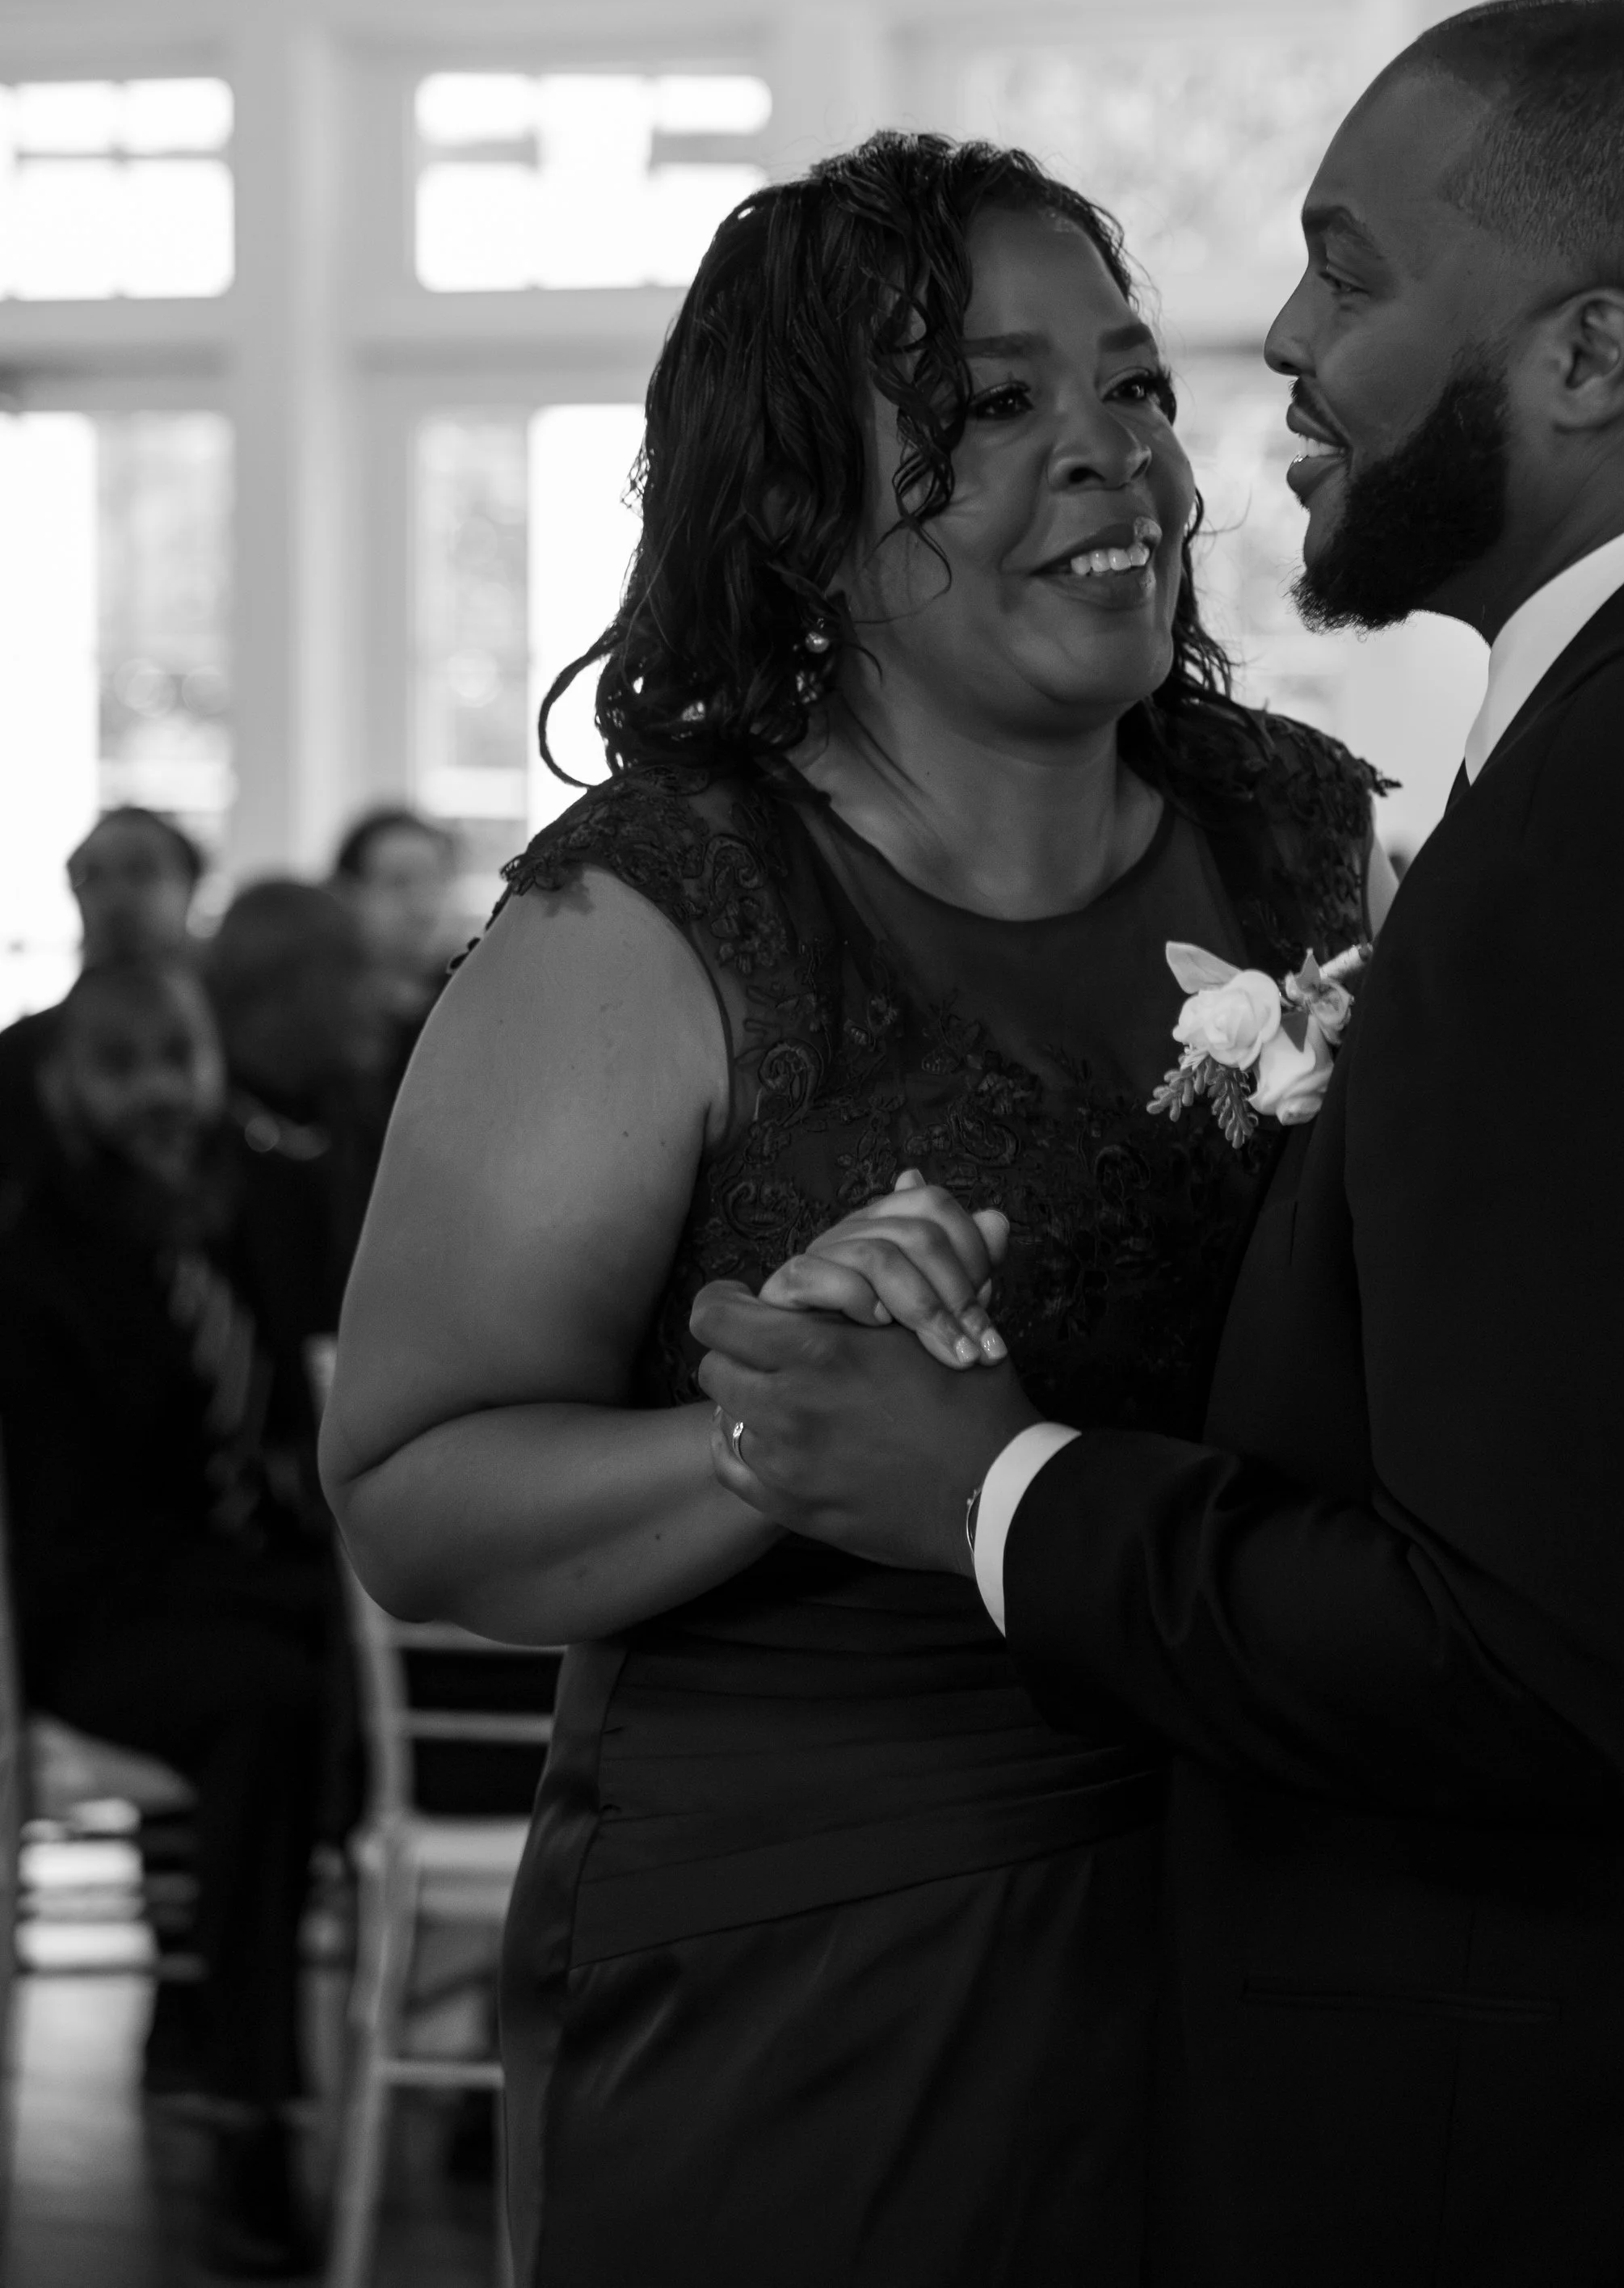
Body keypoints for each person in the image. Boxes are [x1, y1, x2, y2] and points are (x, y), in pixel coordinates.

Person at [692, 0, 1624, 2282]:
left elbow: (1524, 1659)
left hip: (1599, 2130)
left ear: (1585, 352)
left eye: (1349, 268)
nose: (1282, 337)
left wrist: (987, 1484)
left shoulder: (1610, 836)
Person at [318, 132, 1388, 2286]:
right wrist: (769, 1438)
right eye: (994, 407)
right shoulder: (652, 922)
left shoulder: (1303, 845)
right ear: (806, 503)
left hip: (1276, 1877)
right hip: (823, 1950)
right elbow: (414, 1498)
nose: (1111, 459)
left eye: (1131, 389)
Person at [0, 952, 337, 2276]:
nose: (160, 1093)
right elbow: (85, 1537)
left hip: (269, 1589)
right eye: (122, 1063)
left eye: (177, 1058)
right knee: (282, 1705)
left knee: (428, 1665)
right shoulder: (34, 1263)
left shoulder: (269, 1208)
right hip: (107, 1621)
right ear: (70, 1086)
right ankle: (257, 2110)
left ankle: (457, 2012)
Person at [0, 805, 204, 1189]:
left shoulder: (236, 1032)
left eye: (140, 871)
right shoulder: (19, 1054)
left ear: (190, 886)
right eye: (91, 877)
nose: (115, 897)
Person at [206, 877, 389, 1304]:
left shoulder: (360, 1120)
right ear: (277, 987)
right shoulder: (195, 1152)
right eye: (354, 967)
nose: (377, 993)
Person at [330, 805, 458, 1087]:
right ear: (347, 894)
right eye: (398, 883)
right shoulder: (326, 1016)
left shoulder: (467, 996)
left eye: (435, 880)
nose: (423, 907)